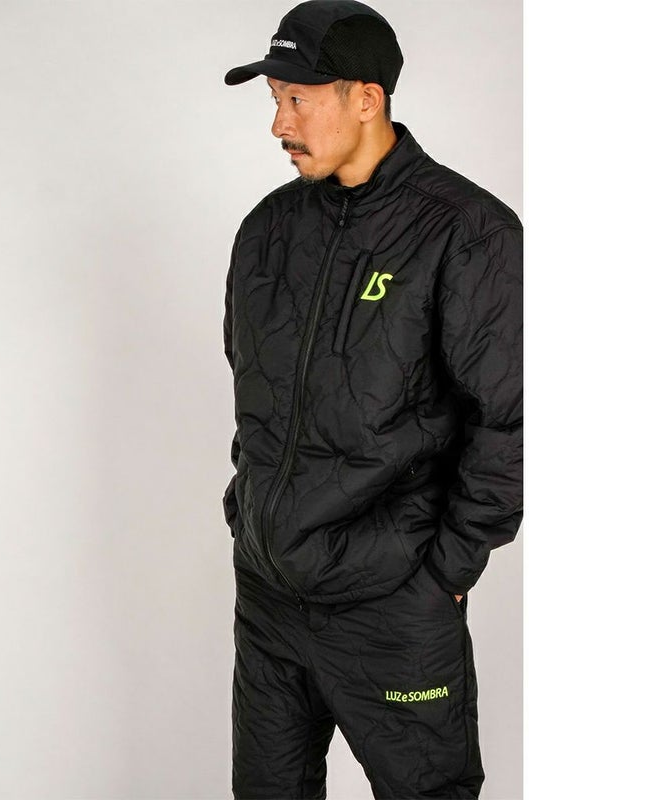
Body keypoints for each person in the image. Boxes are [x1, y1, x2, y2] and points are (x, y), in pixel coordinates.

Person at [221, 1, 522, 797]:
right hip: (269, 602)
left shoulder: (467, 232)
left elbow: (512, 421)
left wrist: (445, 570)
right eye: (275, 99)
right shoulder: (266, 231)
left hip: (392, 603)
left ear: (366, 98)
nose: (279, 124)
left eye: (298, 98)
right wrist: (250, 516)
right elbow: (253, 397)